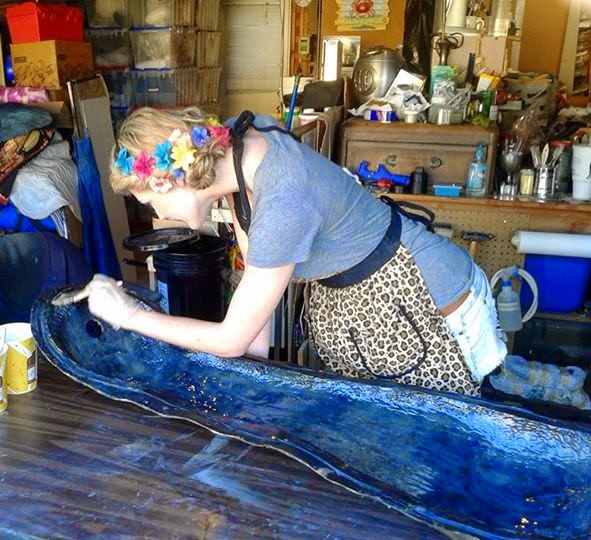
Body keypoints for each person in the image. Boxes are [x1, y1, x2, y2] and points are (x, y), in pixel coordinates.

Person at [87, 107, 507, 396]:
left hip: (422, 300)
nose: (158, 214)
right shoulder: (236, 148)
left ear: (172, 180)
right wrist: (249, 377)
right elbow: (253, 302)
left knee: (436, 440)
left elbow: (231, 340)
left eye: (150, 202)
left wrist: (131, 315)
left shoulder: (282, 196)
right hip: (366, 304)